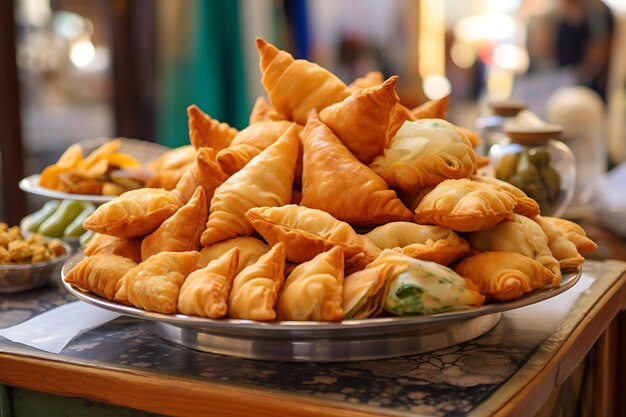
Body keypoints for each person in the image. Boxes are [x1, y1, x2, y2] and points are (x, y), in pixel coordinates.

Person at [555, 0, 615, 101]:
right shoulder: (559, 15)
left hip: (590, 86)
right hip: (566, 82)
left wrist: (581, 75)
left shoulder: (597, 13)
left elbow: (601, 51)